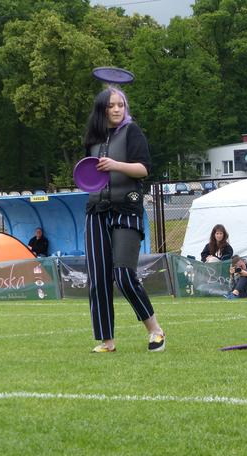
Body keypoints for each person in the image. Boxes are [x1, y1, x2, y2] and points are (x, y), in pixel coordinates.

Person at [83, 85, 165, 353]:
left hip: (127, 209)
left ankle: (155, 330)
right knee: (99, 279)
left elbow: (143, 169)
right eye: (111, 105)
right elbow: (90, 174)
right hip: (96, 211)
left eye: (121, 104)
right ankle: (107, 342)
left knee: (123, 274)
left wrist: (116, 165)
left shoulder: (132, 131)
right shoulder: (93, 138)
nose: (117, 109)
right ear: (101, 110)